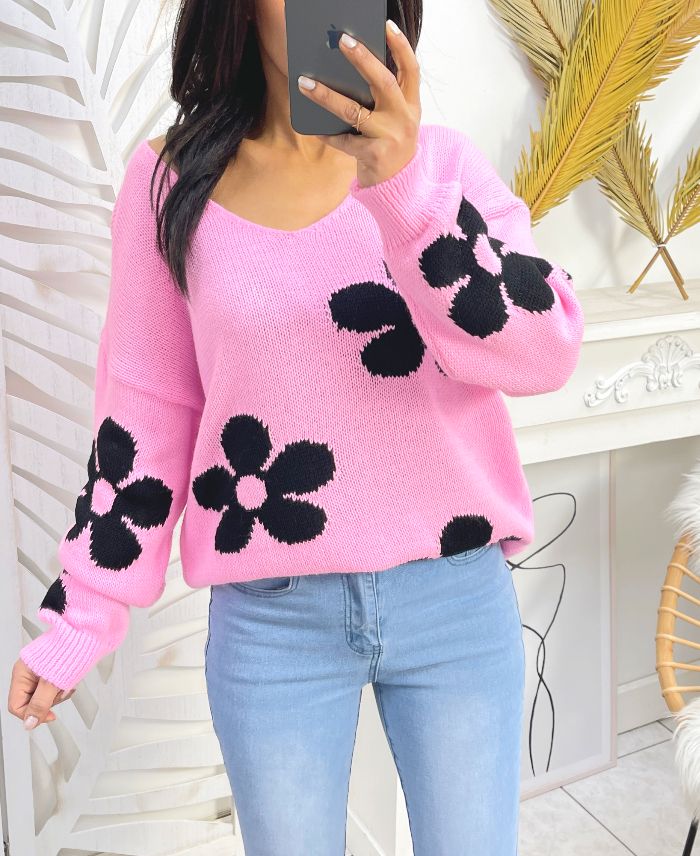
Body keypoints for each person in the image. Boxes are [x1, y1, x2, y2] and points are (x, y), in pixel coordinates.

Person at [8, 1, 584, 853]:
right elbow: (147, 409)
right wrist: (82, 613)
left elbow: (544, 351)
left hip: (454, 602)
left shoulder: (441, 168)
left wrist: (405, 195)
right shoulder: (170, 185)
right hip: (273, 623)